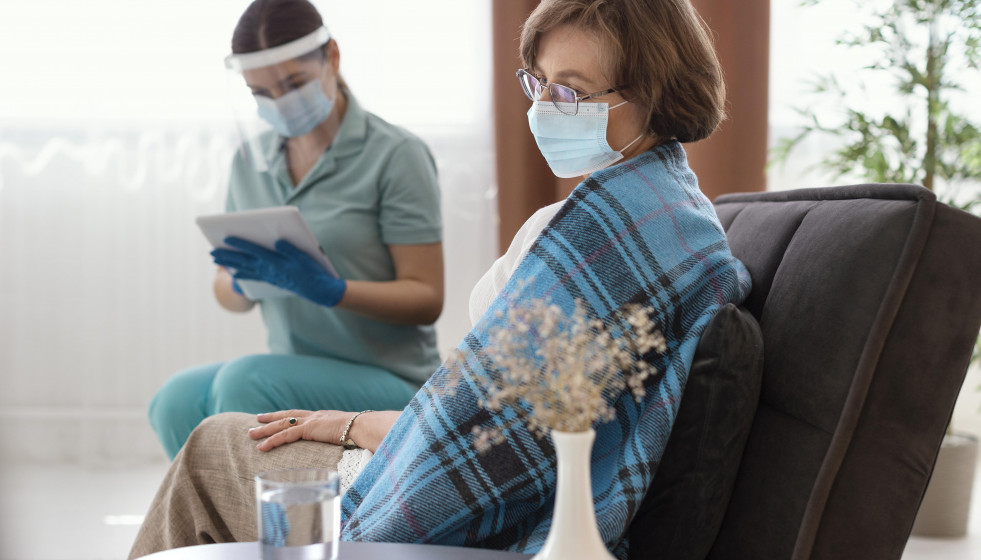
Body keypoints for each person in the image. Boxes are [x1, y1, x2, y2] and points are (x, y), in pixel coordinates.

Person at [130, 0, 751, 557]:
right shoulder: (665, 211)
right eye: (538, 84)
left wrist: (357, 421)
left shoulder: (600, 235)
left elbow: (496, 442)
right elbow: (508, 417)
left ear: (654, 93)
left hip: (457, 491)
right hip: (438, 431)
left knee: (214, 449)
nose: (542, 109)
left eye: (571, 92)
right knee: (188, 404)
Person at [148, 0, 445, 460]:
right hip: (299, 366)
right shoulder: (249, 164)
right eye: (261, 93)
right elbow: (228, 294)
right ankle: (218, 525)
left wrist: (334, 291)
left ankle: (268, 524)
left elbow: (426, 298)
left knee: (244, 382)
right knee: (175, 400)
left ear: (333, 59)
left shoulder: (396, 155)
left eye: (294, 84)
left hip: (389, 377)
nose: (280, 104)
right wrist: (241, 279)